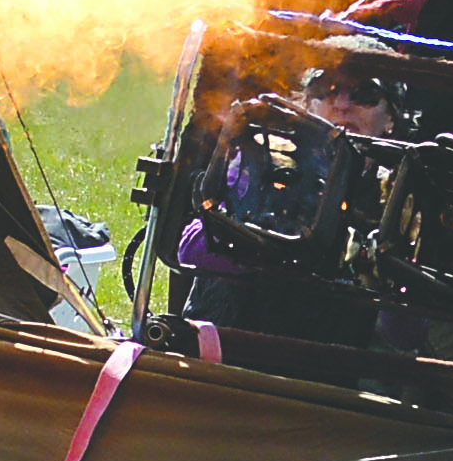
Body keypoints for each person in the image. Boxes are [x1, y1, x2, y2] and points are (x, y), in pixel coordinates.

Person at [175, 46, 417, 349]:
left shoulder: (398, 196)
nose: (342, 104)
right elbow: (192, 248)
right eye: (326, 89)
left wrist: (389, 273)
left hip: (330, 373)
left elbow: (406, 337)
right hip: (229, 350)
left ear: (391, 116)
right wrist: (277, 241)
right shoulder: (265, 155)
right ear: (307, 103)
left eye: (365, 94)